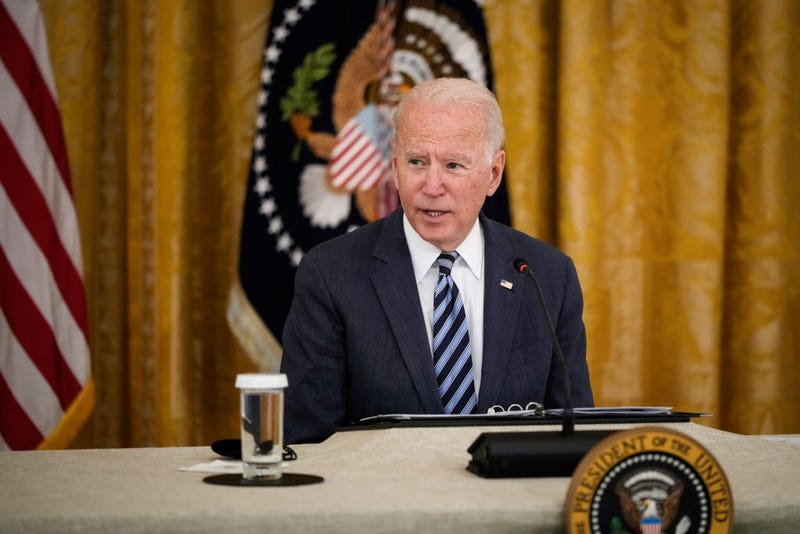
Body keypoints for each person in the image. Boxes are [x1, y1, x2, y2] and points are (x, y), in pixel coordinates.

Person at [280, 77, 594, 444]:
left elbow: (575, 434)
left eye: (453, 166)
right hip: (379, 497)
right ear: (395, 166)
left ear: (493, 173)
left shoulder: (548, 275)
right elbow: (306, 442)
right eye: (416, 162)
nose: (431, 186)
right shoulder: (331, 274)